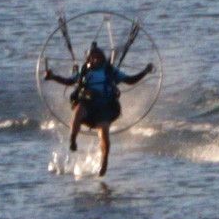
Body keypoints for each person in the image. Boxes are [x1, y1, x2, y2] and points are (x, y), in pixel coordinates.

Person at [44, 42, 154, 175]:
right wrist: (53, 77)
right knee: (78, 113)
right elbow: (69, 81)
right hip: (87, 104)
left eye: (98, 57)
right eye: (93, 57)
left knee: (104, 133)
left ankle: (104, 162)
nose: (95, 59)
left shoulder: (110, 71)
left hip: (106, 107)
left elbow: (130, 80)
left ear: (102, 57)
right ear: (89, 59)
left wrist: (145, 72)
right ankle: (73, 139)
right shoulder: (84, 71)